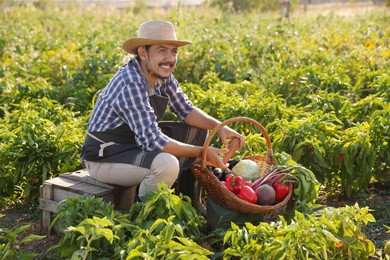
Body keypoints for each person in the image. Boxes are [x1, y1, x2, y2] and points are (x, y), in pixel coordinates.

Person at [81, 20, 245, 200]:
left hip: (132, 144)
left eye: (173, 51)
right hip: (105, 156)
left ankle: (190, 201)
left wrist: (219, 126)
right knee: (167, 164)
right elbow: (153, 141)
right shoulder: (131, 82)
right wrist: (202, 152)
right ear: (143, 53)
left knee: (198, 132)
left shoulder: (160, 74)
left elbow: (185, 110)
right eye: (162, 50)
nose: (170, 58)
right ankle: (142, 215)